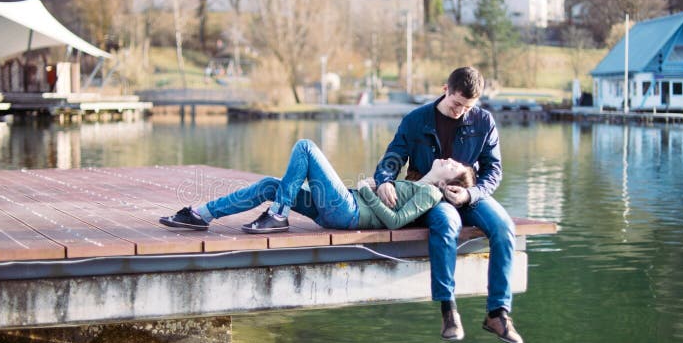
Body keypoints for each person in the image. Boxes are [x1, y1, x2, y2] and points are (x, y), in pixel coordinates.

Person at [373, 66, 522, 343]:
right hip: (429, 192)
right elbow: (394, 156)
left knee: (504, 227)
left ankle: (498, 313)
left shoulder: (484, 121)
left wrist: (471, 194)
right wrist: (384, 180)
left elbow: (494, 171)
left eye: (468, 107)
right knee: (447, 224)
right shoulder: (416, 120)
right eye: (456, 104)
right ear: (445, 90)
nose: (460, 111)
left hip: (469, 192)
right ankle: (449, 310)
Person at [160, 139, 475, 235]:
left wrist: (367, 189)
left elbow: (394, 223)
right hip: (339, 209)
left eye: (452, 164)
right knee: (272, 184)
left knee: (306, 147)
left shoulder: (431, 194)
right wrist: (378, 185)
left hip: (349, 212)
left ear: (448, 184)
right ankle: (201, 214)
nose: (447, 158)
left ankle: (278, 215)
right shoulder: (416, 183)